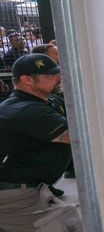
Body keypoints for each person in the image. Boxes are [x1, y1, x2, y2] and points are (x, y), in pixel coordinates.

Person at [0, 54, 83, 231]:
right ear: (27, 80)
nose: (58, 78)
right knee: (70, 225)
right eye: (50, 76)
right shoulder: (25, 110)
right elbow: (81, 136)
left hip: (31, 188)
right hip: (15, 196)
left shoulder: (47, 100)